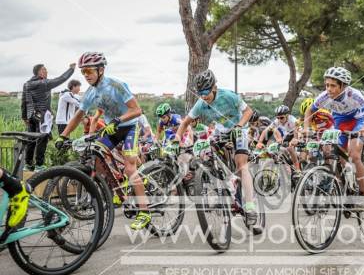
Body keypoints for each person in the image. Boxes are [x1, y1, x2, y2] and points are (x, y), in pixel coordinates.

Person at [55, 52, 150, 230]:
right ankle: (114, 190)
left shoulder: (117, 85)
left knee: (130, 167)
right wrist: (64, 135)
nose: (86, 75)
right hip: (111, 130)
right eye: (83, 72)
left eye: (89, 71)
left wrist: (118, 120)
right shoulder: (91, 92)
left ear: (101, 69)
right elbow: (78, 116)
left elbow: (137, 110)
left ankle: (144, 212)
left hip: (129, 127)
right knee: (96, 158)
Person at [172, 69, 259, 227]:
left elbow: (248, 112)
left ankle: (250, 206)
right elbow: (185, 123)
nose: (204, 96)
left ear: (214, 88)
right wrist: (176, 140)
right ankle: (220, 183)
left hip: (239, 129)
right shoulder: (200, 103)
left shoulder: (229, 96)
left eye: (206, 92)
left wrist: (239, 126)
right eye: (200, 93)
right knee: (204, 151)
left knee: (241, 165)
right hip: (220, 131)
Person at [303, 67, 364, 196]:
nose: (328, 89)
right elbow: (309, 111)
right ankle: (343, 184)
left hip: (357, 121)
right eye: (327, 85)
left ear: (343, 86)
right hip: (339, 122)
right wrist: (305, 128)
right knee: (331, 152)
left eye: (333, 86)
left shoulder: (354, 95)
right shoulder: (324, 96)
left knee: (354, 154)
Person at [22, 63, 75, 171]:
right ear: (40, 72)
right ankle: (39, 165)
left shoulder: (27, 84)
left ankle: (28, 165)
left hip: (31, 116)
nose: (46, 71)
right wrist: (71, 69)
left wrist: (24, 117)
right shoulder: (44, 83)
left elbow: (24, 101)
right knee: (42, 139)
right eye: (44, 69)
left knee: (31, 139)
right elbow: (61, 79)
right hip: (42, 116)